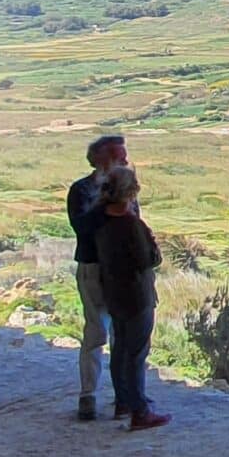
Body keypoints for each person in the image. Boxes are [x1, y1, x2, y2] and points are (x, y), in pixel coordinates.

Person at [93, 164, 169, 432]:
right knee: (136, 354)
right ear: (131, 192)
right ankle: (140, 411)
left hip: (113, 293)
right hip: (136, 295)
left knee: (120, 348)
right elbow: (148, 260)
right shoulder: (131, 225)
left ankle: (123, 401)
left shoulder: (100, 220)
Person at [65, 135, 127, 420]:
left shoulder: (125, 190)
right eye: (120, 157)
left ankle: (123, 396)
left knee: (122, 335)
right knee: (96, 332)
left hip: (121, 271)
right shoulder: (80, 190)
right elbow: (82, 227)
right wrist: (109, 204)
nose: (126, 162)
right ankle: (88, 395)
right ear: (103, 161)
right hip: (93, 267)